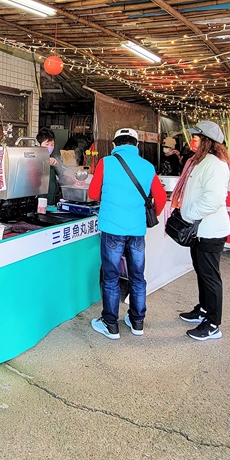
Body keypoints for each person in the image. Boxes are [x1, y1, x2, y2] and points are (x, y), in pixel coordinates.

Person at [88, 128, 166, 339]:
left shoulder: (106, 163)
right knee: (137, 277)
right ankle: (137, 322)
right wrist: (145, 216)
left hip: (112, 229)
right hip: (137, 231)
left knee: (111, 277)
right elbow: (161, 199)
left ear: (115, 145)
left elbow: (93, 193)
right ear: (136, 145)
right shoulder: (148, 166)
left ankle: (110, 324)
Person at [174, 121, 230, 341]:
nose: (192, 140)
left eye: (197, 136)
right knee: (202, 272)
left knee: (210, 277)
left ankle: (213, 324)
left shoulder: (215, 164)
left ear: (208, 140)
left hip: (210, 230)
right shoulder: (202, 161)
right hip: (199, 230)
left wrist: (187, 215)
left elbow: (213, 200)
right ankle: (204, 309)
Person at [36, 127, 63, 204]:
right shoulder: (33, 158)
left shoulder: (53, 160)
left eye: (52, 144)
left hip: (52, 199)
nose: (50, 147)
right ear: (38, 144)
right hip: (39, 199)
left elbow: (62, 174)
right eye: (47, 144)